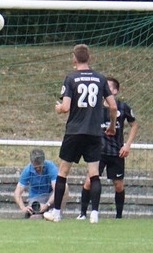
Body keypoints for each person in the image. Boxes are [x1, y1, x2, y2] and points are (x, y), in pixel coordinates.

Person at [43, 44, 117, 224]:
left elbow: (66, 107)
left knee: (63, 172)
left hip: (74, 131)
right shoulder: (100, 79)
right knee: (94, 174)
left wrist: (59, 108)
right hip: (93, 131)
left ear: (74, 59)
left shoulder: (70, 78)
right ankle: (95, 214)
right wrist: (112, 126)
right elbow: (113, 106)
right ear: (89, 58)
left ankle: (57, 213)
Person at [77, 77, 138, 219]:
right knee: (89, 182)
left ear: (115, 91)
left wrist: (127, 145)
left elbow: (134, 125)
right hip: (97, 152)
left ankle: (118, 216)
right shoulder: (95, 107)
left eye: (109, 87)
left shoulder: (123, 107)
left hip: (116, 152)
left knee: (118, 185)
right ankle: (82, 213)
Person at [13, 148, 65, 218]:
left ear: (43, 161)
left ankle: (58, 215)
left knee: (65, 187)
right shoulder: (27, 170)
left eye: (39, 165)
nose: (37, 168)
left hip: (51, 197)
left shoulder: (51, 166)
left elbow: (56, 189)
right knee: (35, 218)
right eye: (35, 166)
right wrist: (23, 207)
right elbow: (17, 192)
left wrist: (47, 205)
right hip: (36, 198)